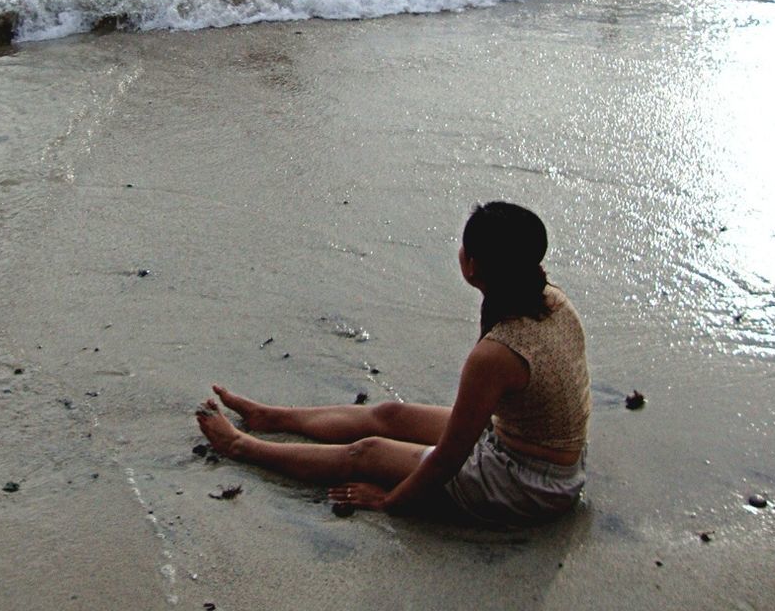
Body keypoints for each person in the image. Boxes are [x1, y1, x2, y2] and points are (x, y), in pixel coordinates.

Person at [196, 202, 590, 527]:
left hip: (526, 485)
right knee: (390, 414)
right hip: (526, 449)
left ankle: (241, 446)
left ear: (471, 266)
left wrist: (391, 502)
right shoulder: (550, 299)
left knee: (366, 452)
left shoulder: (495, 355)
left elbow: (449, 459)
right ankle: (273, 418)